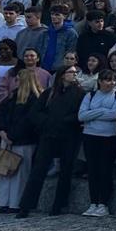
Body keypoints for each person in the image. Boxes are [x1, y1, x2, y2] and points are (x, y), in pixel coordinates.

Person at [15, 63, 83, 218]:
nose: (74, 75)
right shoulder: (49, 93)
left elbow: (80, 114)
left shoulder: (79, 93)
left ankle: (58, 205)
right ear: (62, 75)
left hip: (68, 136)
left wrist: (66, 121)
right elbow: (35, 113)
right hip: (48, 135)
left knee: (65, 171)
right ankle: (26, 206)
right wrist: (46, 122)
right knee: (38, 170)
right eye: (70, 72)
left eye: (75, 72)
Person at [77, 70, 116, 217]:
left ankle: (103, 203)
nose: (109, 83)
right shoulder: (90, 95)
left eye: (112, 80)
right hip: (90, 136)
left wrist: (93, 114)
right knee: (93, 170)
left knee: (105, 169)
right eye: (106, 80)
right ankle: (93, 202)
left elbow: (115, 114)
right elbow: (81, 115)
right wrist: (102, 110)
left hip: (109, 137)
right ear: (99, 82)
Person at [0, 67, 42, 213]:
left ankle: (16, 203)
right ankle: (4, 202)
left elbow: (28, 122)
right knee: (4, 171)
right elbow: (0, 114)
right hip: (7, 137)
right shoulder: (12, 97)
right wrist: (3, 132)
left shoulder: (34, 99)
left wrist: (11, 136)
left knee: (20, 174)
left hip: (23, 140)